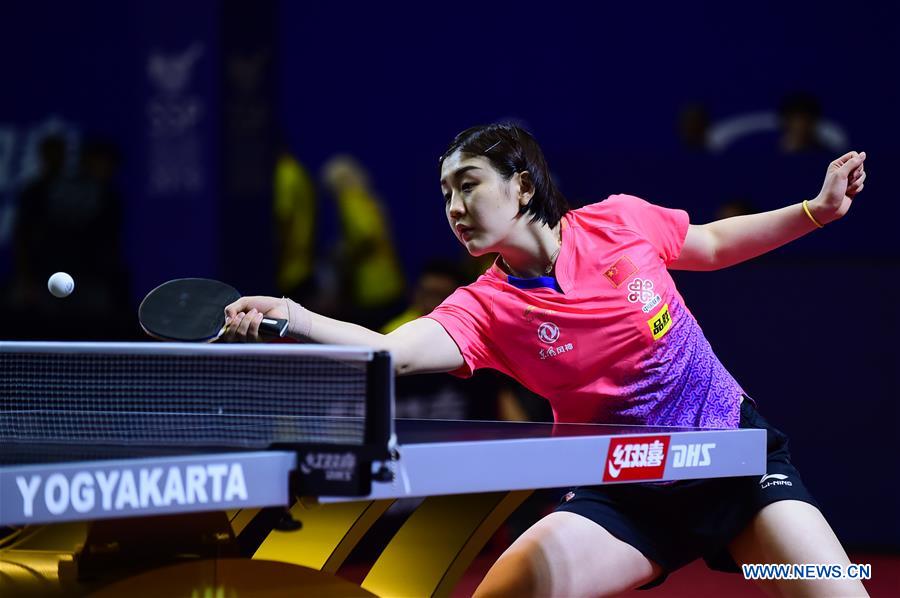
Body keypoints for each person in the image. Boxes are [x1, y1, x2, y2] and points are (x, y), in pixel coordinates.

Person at [224, 124, 868, 597]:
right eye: (444, 193)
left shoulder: (619, 222)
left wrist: (816, 211)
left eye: (467, 186)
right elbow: (391, 354)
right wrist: (295, 315)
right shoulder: (485, 310)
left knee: (834, 590)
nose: (453, 208)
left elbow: (714, 241)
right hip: (624, 494)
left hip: (732, 461)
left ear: (522, 185)